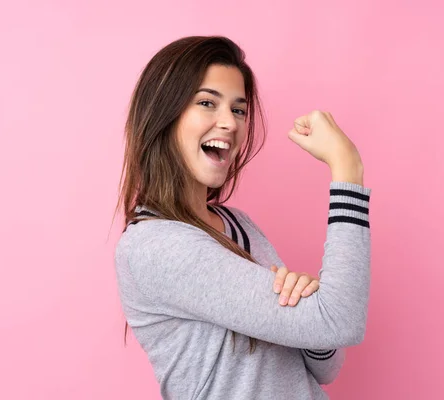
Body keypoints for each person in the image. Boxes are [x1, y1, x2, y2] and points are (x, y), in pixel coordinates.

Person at [114, 35, 372, 400]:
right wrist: (348, 169)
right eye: (207, 102)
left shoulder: (238, 224)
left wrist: (313, 313)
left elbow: (326, 364)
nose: (231, 124)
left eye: (238, 109)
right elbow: (341, 320)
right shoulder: (153, 246)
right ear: (163, 115)